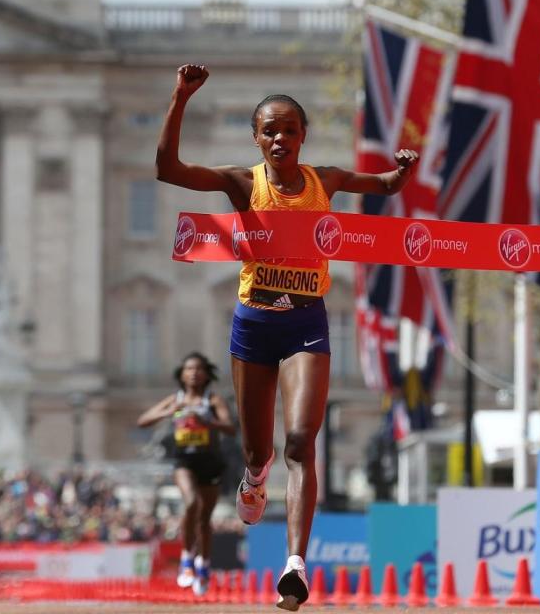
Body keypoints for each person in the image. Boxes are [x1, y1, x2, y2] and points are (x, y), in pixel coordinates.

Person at [155, 64, 418, 611]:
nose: (279, 138)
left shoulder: (328, 180)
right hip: (254, 324)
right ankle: (253, 477)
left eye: (289, 129)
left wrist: (402, 169)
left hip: (306, 322)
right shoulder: (242, 182)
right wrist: (180, 98)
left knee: (301, 441)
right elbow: (168, 168)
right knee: (259, 449)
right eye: (269, 130)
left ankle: (296, 565)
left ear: (303, 136)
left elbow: (386, 187)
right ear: (257, 138)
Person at [137, 352, 235, 596]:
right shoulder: (176, 399)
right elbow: (143, 421)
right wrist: (169, 411)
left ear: (206, 374)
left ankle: (204, 564)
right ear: (181, 374)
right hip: (184, 461)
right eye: (189, 369)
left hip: (210, 461)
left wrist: (207, 421)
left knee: (204, 520)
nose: (194, 373)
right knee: (191, 503)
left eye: (199, 369)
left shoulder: (212, 400)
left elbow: (230, 428)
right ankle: (186, 558)